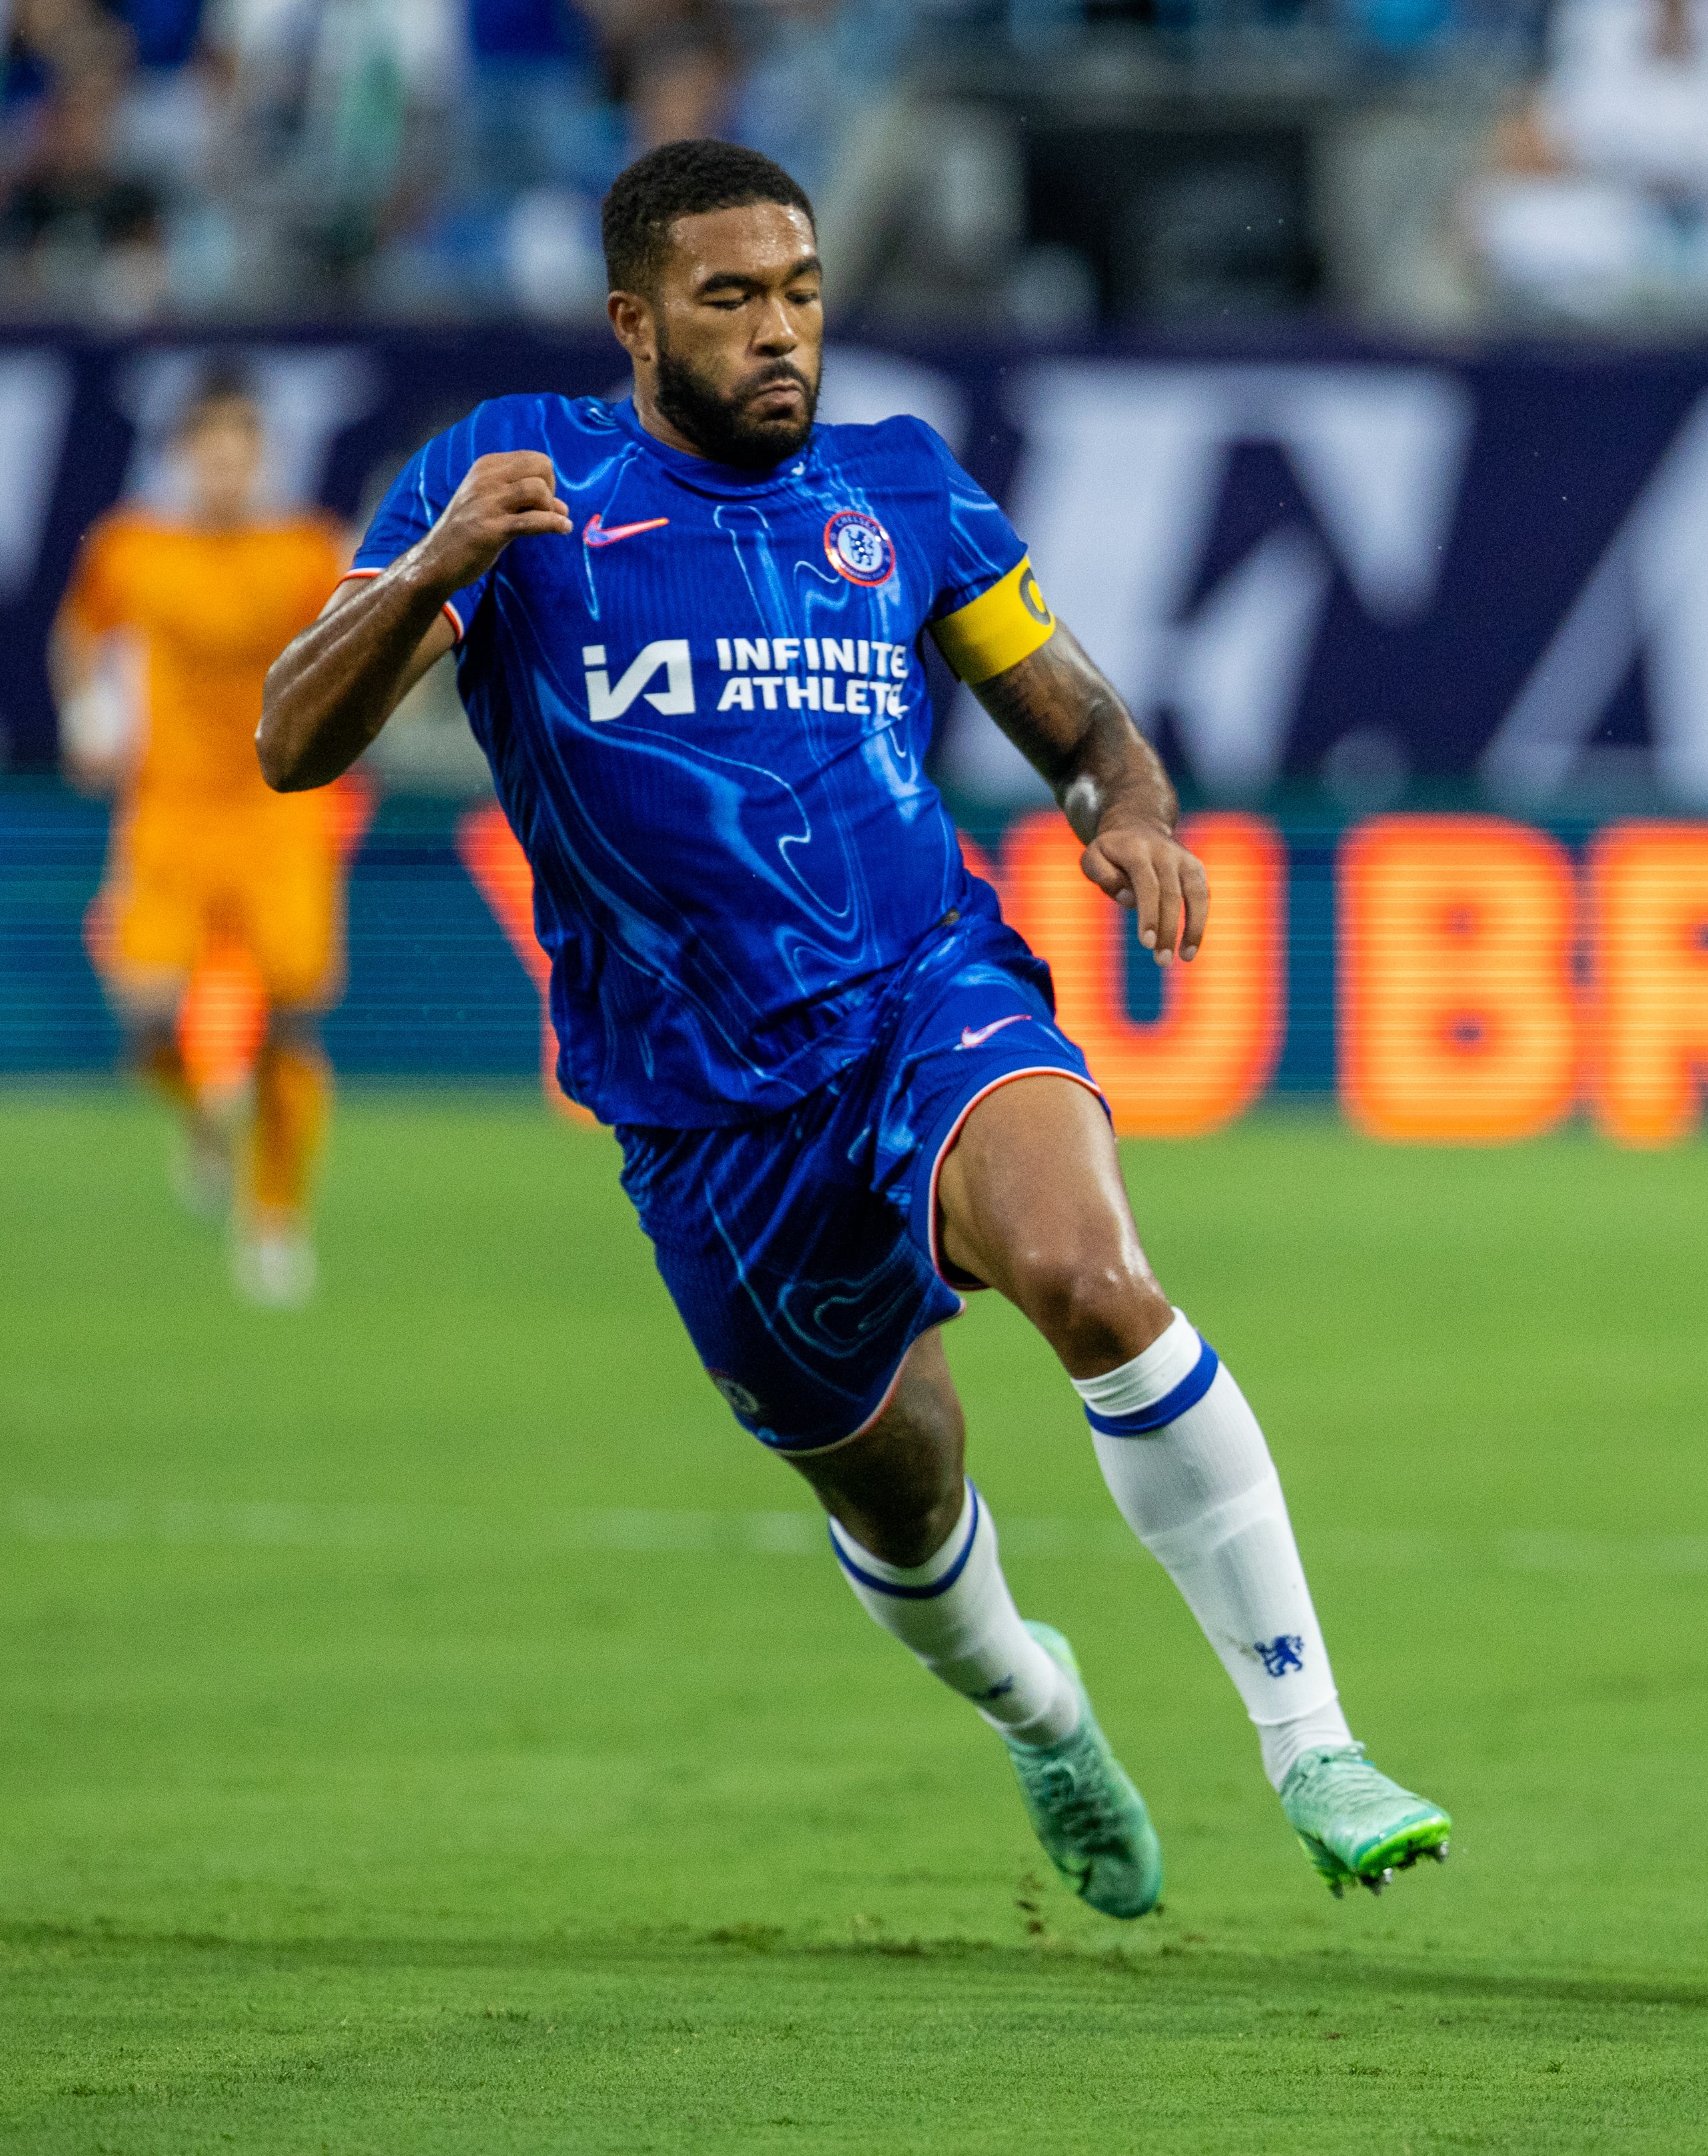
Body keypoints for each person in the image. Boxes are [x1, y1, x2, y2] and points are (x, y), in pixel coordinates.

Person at [256, 139, 1450, 1914]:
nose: (780, 332)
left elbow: (1075, 716)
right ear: (634, 320)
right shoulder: (509, 481)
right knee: (903, 1487)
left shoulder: (902, 488)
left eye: (802, 292)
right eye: (731, 298)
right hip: (700, 1106)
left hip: (924, 991)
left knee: (1093, 1275)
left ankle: (1315, 1739)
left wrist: (1125, 802)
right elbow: (287, 741)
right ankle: (1039, 1705)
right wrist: (433, 565)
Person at [57, 365, 349, 1305]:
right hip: (172, 810)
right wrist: (84, 713)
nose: (223, 469)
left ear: (259, 458)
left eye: (240, 452)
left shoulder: (305, 550)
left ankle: (274, 1218)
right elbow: (81, 632)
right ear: (183, 457)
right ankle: (198, 1118)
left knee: (291, 1024)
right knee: (144, 1017)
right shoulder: (132, 547)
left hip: (280, 809)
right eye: (207, 452)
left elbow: (363, 643)